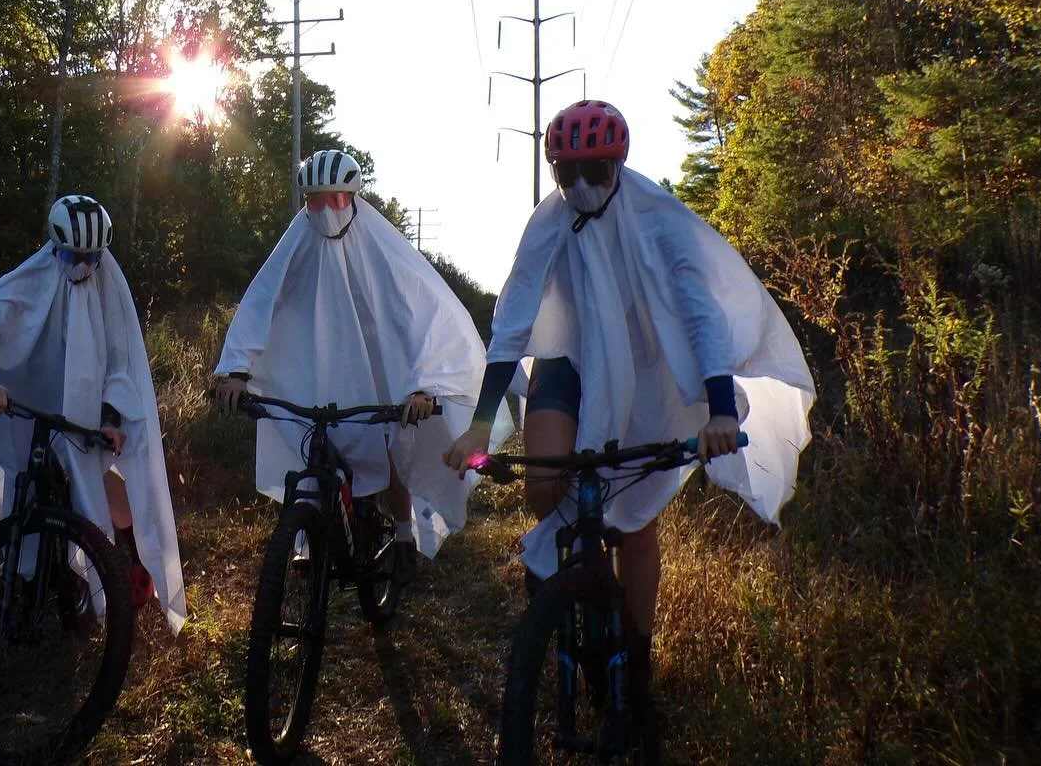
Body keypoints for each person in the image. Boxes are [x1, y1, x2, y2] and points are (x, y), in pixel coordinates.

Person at [443, 100, 813, 705]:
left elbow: (701, 317)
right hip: (566, 364)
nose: (580, 186)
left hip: (647, 371)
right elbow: (512, 324)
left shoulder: (661, 220)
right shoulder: (547, 223)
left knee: (637, 523)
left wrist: (721, 409)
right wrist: (480, 427)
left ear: (618, 164)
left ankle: (637, 656)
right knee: (544, 486)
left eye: (595, 171)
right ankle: (571, 587)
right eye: (567, 173)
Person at [213, 149, 514, 581]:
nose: (326, 210)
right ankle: (309, 536)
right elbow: (263, 300)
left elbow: (423, 315)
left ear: (353, 198)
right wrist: (236, 370)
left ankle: (403, 535)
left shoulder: (380, 247)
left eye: (336, 199)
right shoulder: (298, 242)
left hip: (382, 369)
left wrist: (423, 386)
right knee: (308, 446)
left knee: (391, 445)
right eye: (315, 201)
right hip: (321, 368)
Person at [0, 194, 186, 635]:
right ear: (54, 248)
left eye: (91, 258)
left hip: (87, 409)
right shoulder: (33, 277)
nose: (82, 266)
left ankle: (127, 564)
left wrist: (110, 418)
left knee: (101, 481)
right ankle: (29, 581)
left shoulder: (108, 283)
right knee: (23, 487)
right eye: (72, 257)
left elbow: (119, 360)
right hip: (27, 399)